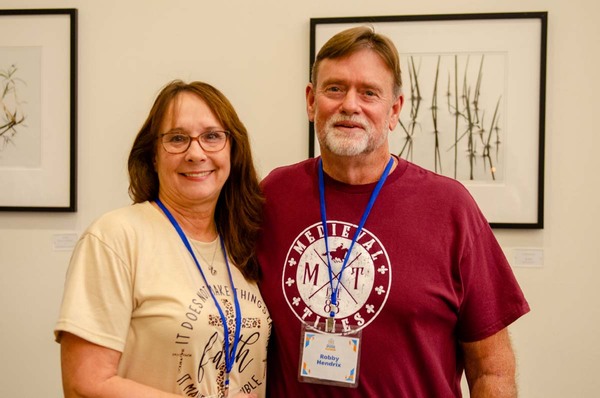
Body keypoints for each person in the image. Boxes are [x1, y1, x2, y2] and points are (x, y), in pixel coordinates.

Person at [257, 26, 530, 397]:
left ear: (394, 110)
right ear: (311, 101)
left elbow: (492, 372)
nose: (350, 105)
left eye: (369, 92)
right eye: (335, 88)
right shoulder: (273, 195)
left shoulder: (450, 207)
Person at [55, 80, 270, 398]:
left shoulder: (243, 243)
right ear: (153, 156)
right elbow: (85, 383)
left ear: (233, 151)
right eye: (178, 139)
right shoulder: (115, 238)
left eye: (212, 137)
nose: (196, 153)